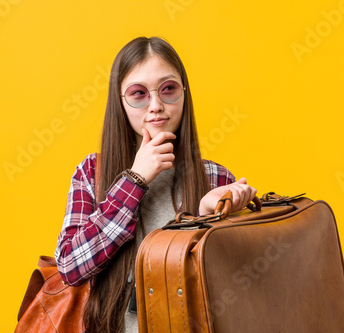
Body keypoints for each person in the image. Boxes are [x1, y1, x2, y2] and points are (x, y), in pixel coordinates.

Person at [54, 36, 256, 333]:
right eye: (138, 94)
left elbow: (239, 284)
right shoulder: (93, 172)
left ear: (184, 93)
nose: (156, 106)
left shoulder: (214, 178)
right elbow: (71, 268)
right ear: (120, 102)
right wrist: (134, 180)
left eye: (168, 89)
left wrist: (205, 217)